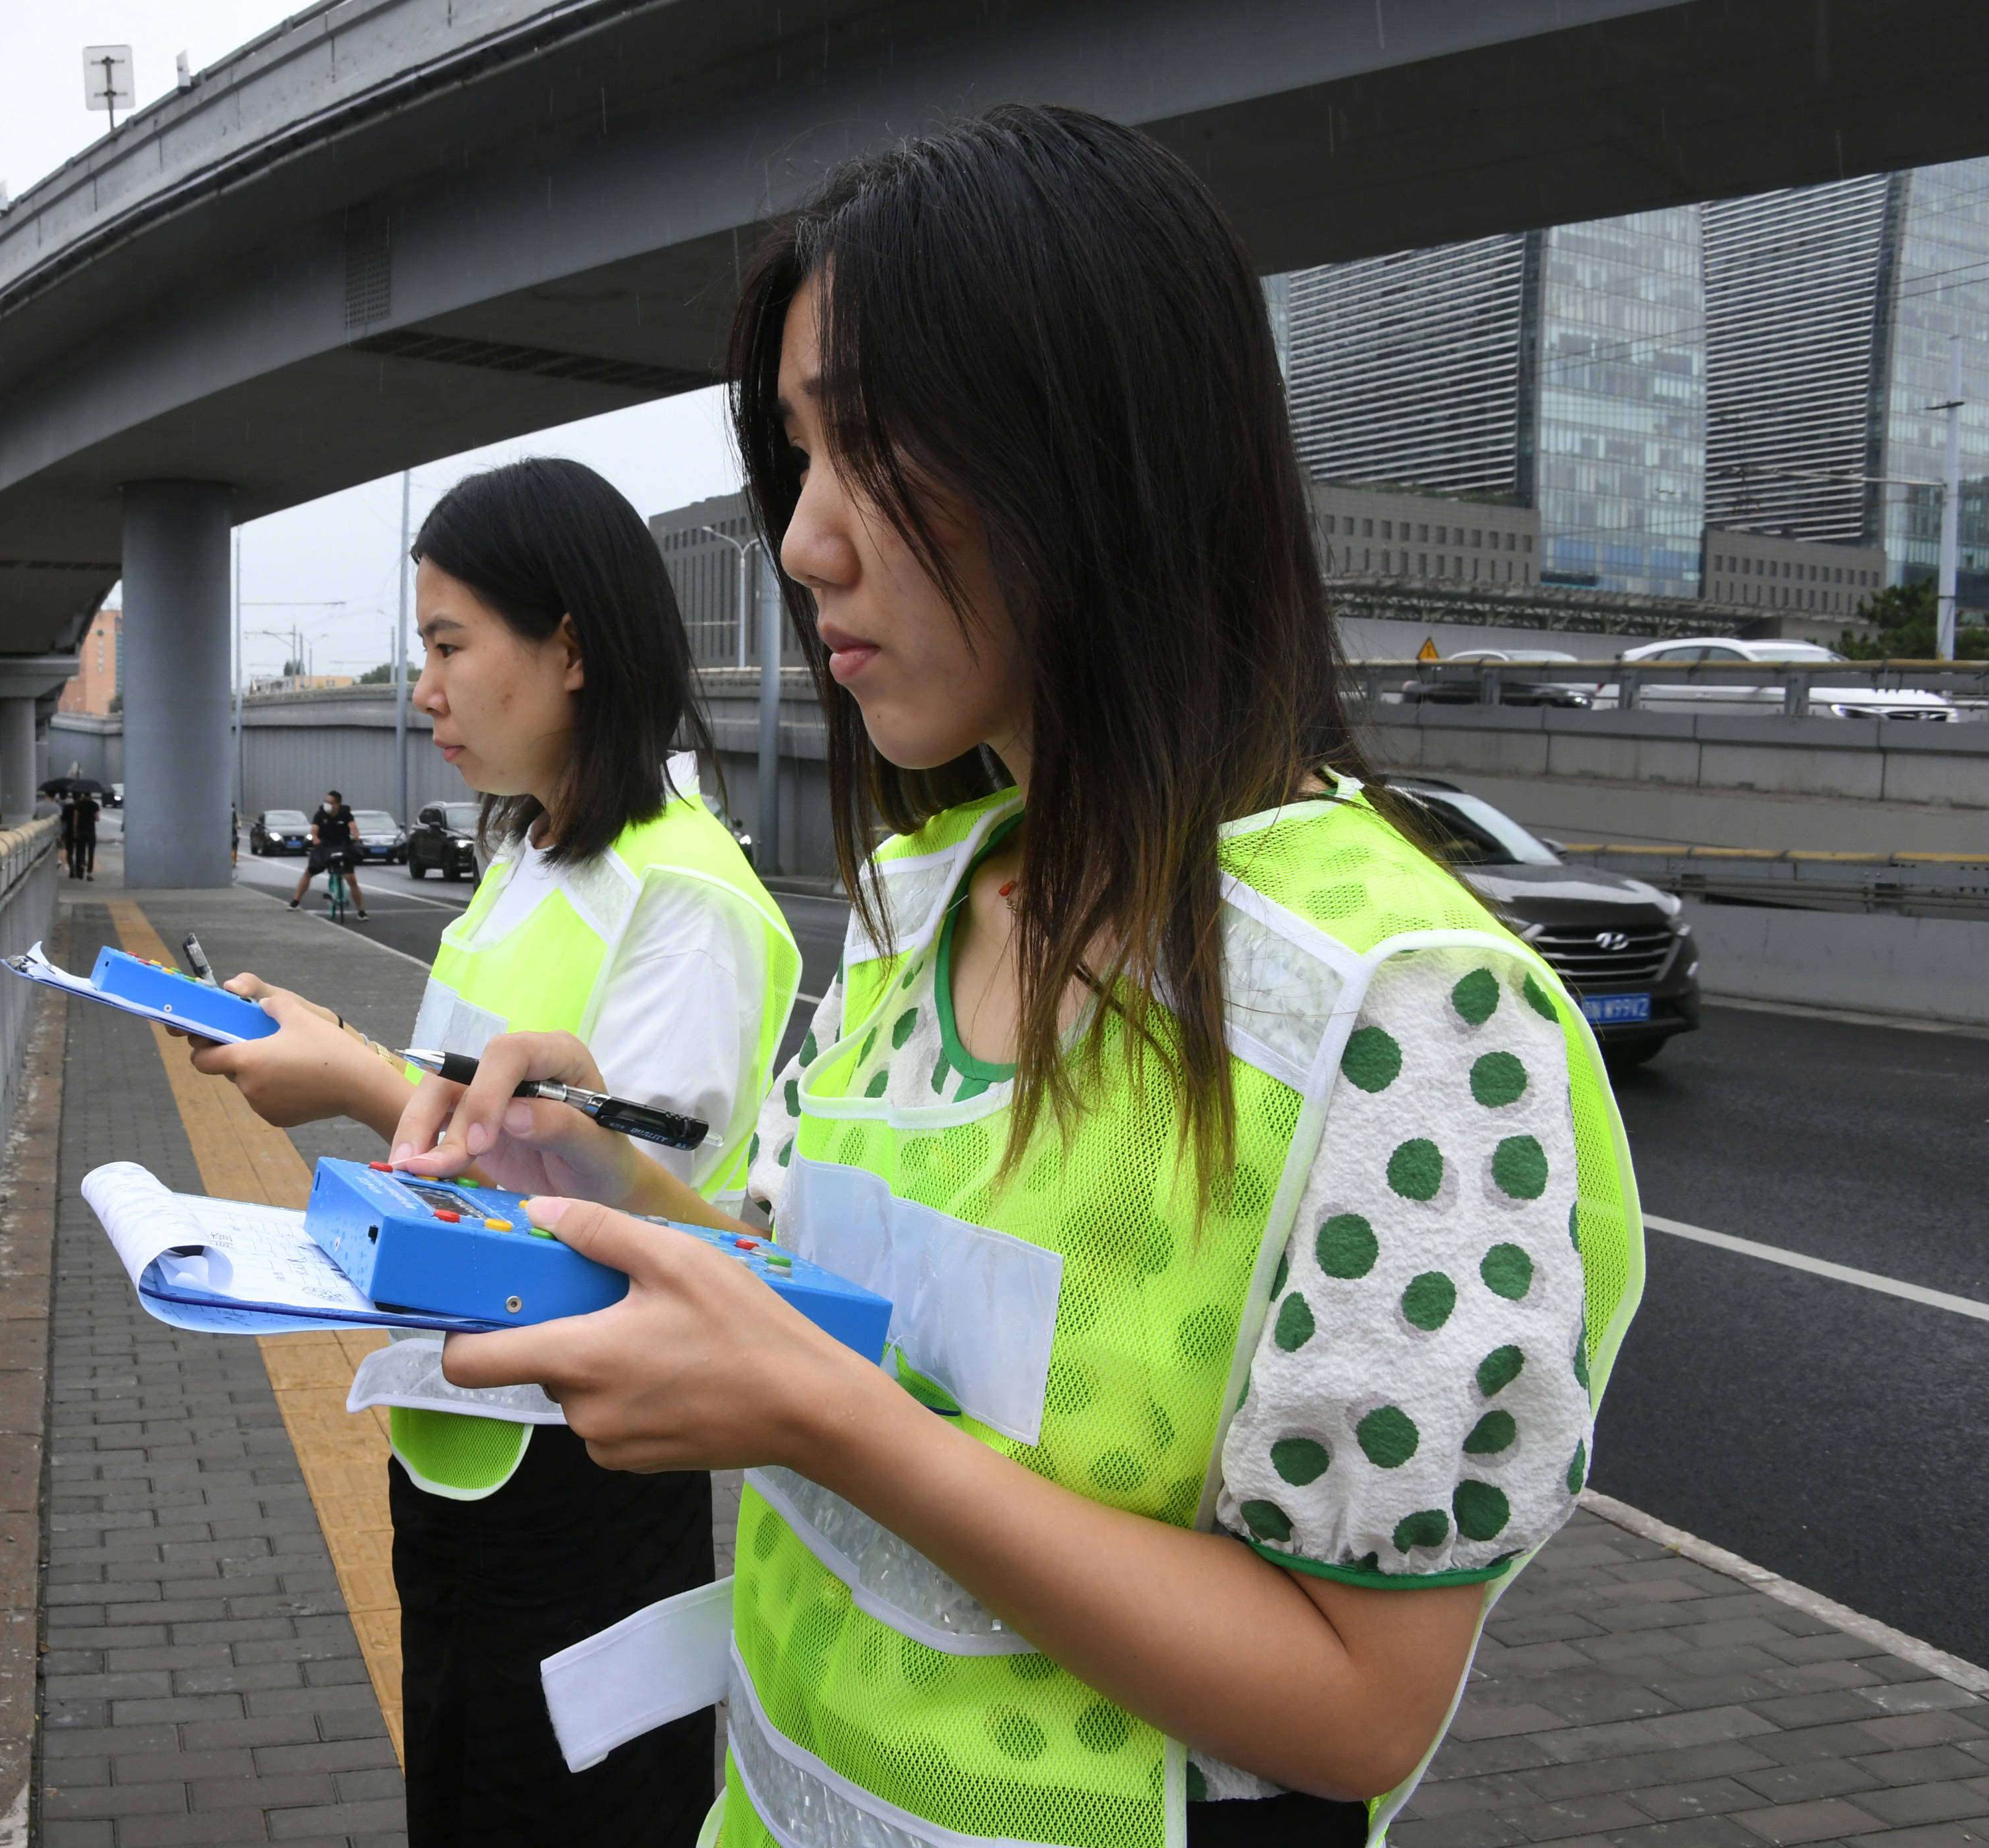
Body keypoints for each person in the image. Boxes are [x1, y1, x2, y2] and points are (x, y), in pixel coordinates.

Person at [388, 108, 1645, 1848]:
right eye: (799, 465)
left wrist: (839, 1436)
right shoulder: (927, 898)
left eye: (876, 452)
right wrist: (595, 1183)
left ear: (1103, 450)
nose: (808, 543)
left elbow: (1357, 1698)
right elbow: (839, 1300)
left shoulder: (1417, 1009)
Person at [185, 457, 802, 1845]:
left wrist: (344, 1077)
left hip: (589, 1468)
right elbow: (463, 1111)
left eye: (452, 645)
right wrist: (334, 1041)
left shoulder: (684, 897)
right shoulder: (530, 861)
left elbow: (638, 1218)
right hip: (457, 1439)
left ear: (571, 647)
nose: (426, 691)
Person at [286, 787, 374, 917]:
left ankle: (361, 912)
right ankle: (295, 901)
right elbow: (314, 830)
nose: (326, 804)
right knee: (309, 872)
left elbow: (353, 827)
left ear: (337, 804)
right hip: (325, 846)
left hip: (343, 845)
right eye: (326, 801)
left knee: (352, 879)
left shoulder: (346, 813)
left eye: (330, 802)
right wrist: (315, 839)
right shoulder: (320, 814)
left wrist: (356, 835)